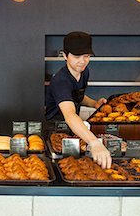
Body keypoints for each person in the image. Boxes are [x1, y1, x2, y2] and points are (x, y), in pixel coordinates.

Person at [45, 31, 112, 169]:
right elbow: (69, 115)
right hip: (56, 131)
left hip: (75, 129)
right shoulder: (60, 81)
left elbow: (77, 96)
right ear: (65, 55)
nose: (82, 61)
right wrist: (94, 142)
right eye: (77, 56)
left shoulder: (84, 71)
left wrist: (94, 103)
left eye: (86, 56)